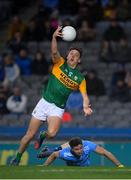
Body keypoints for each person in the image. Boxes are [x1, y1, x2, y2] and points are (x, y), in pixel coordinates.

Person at [11, 26, 92, 165]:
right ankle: (17, 158)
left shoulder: (80, 78)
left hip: (57, 108)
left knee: (52, 134)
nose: (73, 55)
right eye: (71, 53)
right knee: (29, 135)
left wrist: (85, 107)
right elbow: (54, 51)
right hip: (44, 103)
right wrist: (54, 37)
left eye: (76, 55)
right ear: (67, 56)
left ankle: (43, 135)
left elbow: (84, 95)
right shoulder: (59, 63)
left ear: (79, 61)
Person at [38, 137, 124, 167]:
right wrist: (44, 166)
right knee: (57, 152)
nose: (80, 151)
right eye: (77, 149)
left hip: (85, 167)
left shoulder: (87, 145)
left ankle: (48, 150)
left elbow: (106, 152)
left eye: (81, 148)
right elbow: (54, 155)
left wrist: (119, 165)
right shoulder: (66, 154)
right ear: (71, 149)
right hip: (71, 169)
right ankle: (48, 151)